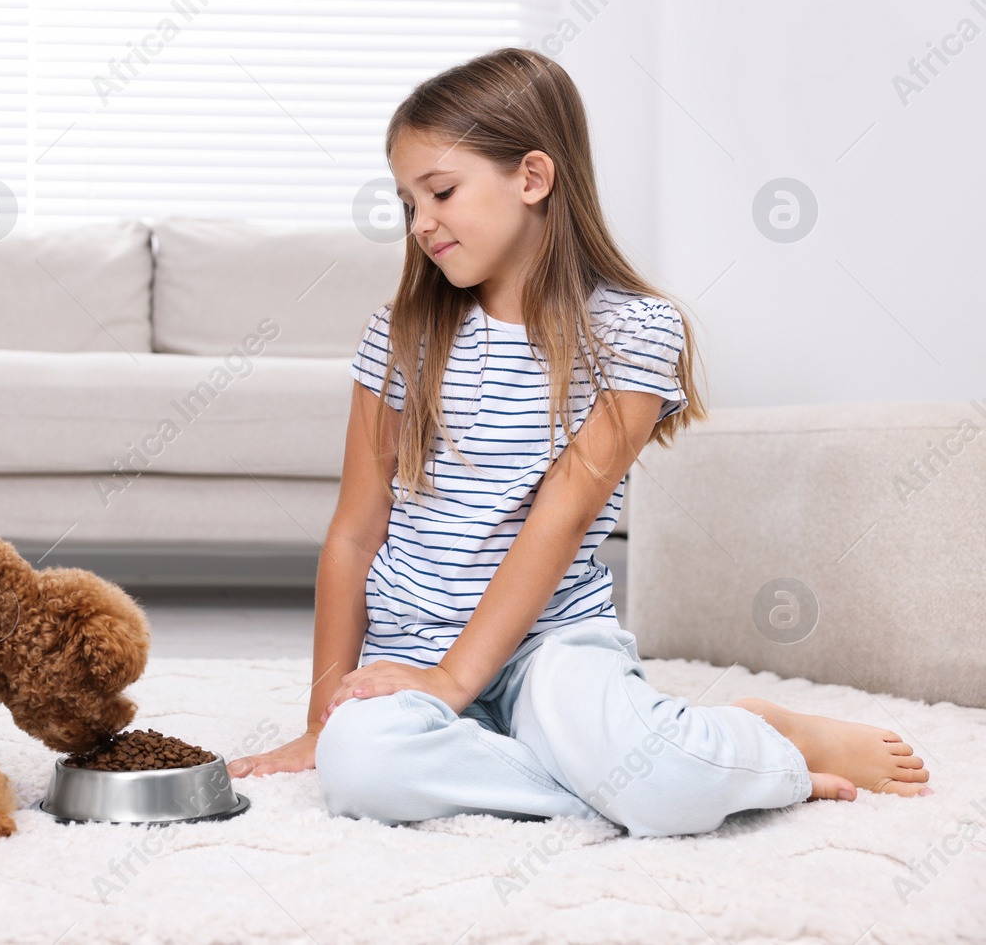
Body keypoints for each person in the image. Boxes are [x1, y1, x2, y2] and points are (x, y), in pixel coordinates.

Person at [226, 47, 932, 837]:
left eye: (442, 192)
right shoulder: (400, 335)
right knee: (360, 769)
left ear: (532, 177)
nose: (421, 222)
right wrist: (324, 719)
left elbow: (557, 521)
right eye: (406, 202)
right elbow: (356, 532)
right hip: (409, 652)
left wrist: (459, 680)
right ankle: (650, 768)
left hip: (552, 650)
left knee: (656, 784)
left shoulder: (635, 332)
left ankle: (764, 736)